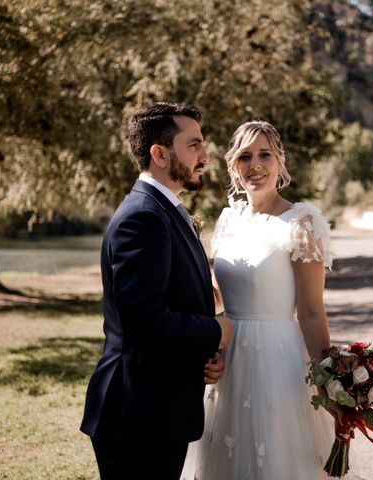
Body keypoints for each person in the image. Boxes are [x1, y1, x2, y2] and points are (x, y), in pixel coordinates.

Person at [182, 121, 359, 479]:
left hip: (279, 364)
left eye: (265, 155)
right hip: (228, 361)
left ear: (280, 161)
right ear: (233, 165)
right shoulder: (229, 219)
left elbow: (310, 312)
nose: (256, 165)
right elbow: (219, 296)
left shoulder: (301, 223)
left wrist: (329, 382)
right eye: (245, 156)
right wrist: (208, 347)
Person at [80, 102, 233, 480]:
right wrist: (217, 330)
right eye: (194, 144)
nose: (205, 155)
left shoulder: (163, 210)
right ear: (159, 154)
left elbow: (174, 300)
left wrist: (204, 352)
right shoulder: (142, 217)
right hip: (138, 413)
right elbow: (143, 319)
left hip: (156, 408)